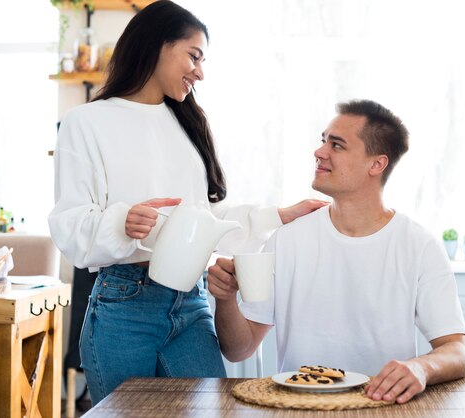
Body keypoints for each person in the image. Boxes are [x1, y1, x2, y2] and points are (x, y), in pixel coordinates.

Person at [48, 1, 325, 405]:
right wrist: (122, 222)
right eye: (193, 55)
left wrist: (279, 216)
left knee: (211, 409)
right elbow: (69, 224)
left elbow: (204, 220)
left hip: (191, 304)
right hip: (123, 305)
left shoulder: (188, 123)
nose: (200, 71)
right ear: (157, 45)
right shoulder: (86, 122)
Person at [207, 99, 465, 404]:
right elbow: (239, 349)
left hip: (383, 407)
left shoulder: (419, 245)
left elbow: (459, 351)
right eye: (323, 141)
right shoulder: (288, 240)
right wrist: (225, 298)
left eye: (337, 145)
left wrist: (421, 367)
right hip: (299, 407)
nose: (319, 151)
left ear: (377, 164)